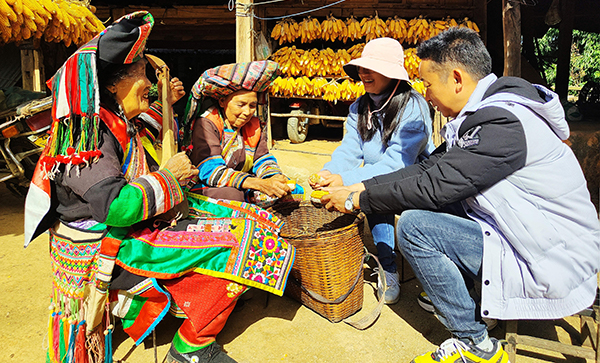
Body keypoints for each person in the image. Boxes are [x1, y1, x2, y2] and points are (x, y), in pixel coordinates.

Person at [23, 11, 296, 363]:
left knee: (255, 220)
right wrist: (168, 176)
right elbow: (116, 207)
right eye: (142, 75)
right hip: (107, 243)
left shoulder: (118, 120)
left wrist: (165, 106)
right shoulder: (86, 135)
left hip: (134, 228)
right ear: (112, 85)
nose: (149, 84)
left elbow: (151, 128)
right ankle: (192, 346)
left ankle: (206, 306)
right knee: (244, 243)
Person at [322, 27, 600, 362]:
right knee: (431, 203)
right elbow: (429, 168)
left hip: (550, 257)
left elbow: (433, 185)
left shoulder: (503, 123)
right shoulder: (484, 116)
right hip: (528, 235)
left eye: (428, 84)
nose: (426, 95)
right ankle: (469, 294)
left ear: (456, 79)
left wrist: (355, 200)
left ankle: (476, 344)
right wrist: (360, 186)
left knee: (414, 227)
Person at [308, 37, 434, 305]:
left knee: (376, 194)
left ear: (391, 73)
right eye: (362, 68)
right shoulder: (359, 107)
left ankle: (394, 266)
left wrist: (346, 181)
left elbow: (397, 165)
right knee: (372, 192)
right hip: (381, 177)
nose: (363, 73)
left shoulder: (413, 107)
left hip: (415, 180)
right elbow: (349, 149)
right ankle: (386, 266)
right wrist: (331, 173)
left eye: (371, 68)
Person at [181, 61, 303, 207]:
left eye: (252, 106)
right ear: (222, 101)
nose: (247, 112)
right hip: (208, 184)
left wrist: (274, 177)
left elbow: (262, 158)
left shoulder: (254, 124)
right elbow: (210, 170)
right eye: (241, 105)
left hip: (241, 182)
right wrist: (259, 184)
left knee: (293, 190)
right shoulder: (207, 123)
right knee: (233, 196)